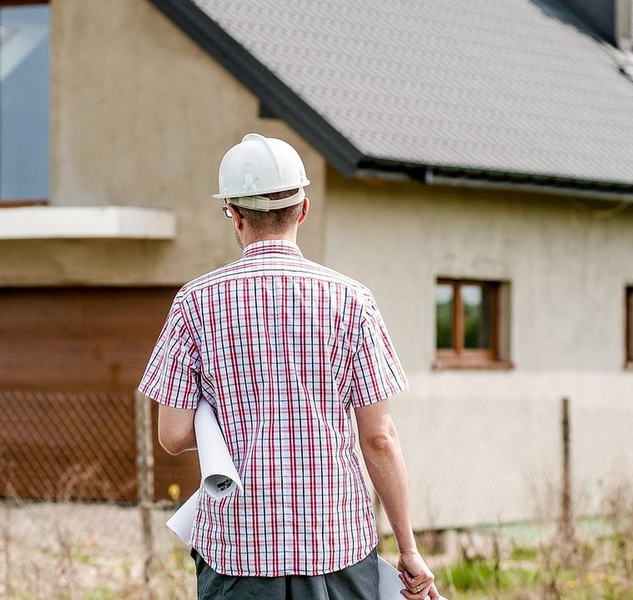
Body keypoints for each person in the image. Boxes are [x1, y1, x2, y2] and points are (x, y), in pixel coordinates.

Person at [139, 133, 439, 600]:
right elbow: (378, 438)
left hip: (238, 550)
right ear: (302, 209)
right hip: (336, 545)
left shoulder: (194, 303)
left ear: (234, 215)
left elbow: (173, 436)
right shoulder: (352, 301)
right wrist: (408, 548)